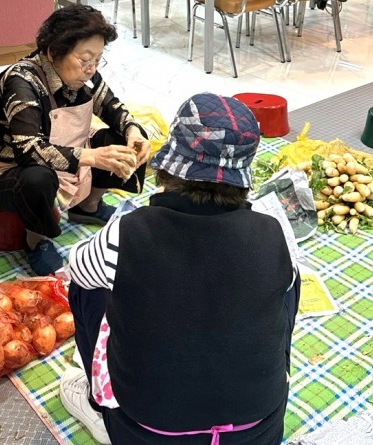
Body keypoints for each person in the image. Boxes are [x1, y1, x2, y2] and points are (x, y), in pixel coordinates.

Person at [60, 92, 301, 445]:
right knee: (285, 283)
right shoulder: (273, 231)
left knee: (88, 286)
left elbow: (76, 268)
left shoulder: (128, 231)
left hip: (148, 431)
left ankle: (99, 403)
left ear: (173, 163)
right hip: (259, 430)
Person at [0, 5, 150, 276]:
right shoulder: (22, 80)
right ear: (54, 52)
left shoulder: (87, 77)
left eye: (97, 59)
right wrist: (93, 157)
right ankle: (37, 239)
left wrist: (132, 130)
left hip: (67, 162)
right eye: (85, 59)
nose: (91, 68)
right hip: (13, 173)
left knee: (126, 138)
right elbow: (28, 150)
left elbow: (112, 107)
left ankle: (88, 206)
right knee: (38, 178)